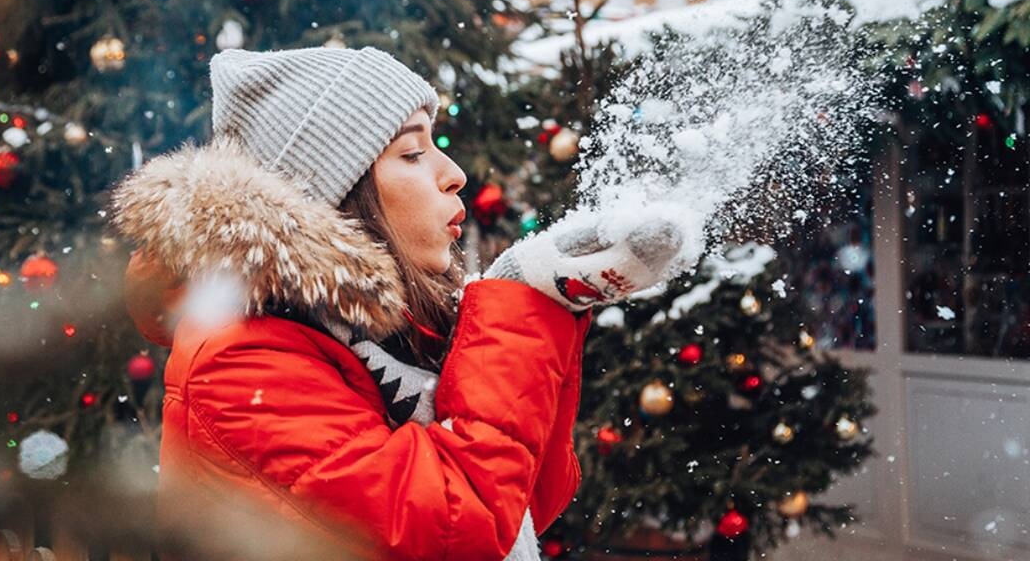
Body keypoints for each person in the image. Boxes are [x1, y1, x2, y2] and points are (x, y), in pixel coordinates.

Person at [113, 47, 681, 561]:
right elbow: (461, 530)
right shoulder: (239, 359)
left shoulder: (379, 330)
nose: (453, 174)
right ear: (331, 199)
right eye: (412, 152)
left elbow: (533, 499)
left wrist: (550, 305)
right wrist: (519, 307)